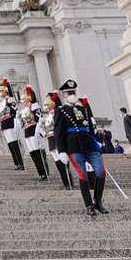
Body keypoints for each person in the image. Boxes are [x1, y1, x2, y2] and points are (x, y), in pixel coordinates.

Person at [52, 80, 108, 216]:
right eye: (68, 93)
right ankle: (89, 205)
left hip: (90, 146)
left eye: (73, 92)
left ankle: (98, 200)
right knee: (83, 176)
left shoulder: (84, 108)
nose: (71, 95)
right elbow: (58, 132)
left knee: (101, 172)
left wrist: (97, 142)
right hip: (74, 148)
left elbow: (91, 127)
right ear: (63, 95)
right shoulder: (61, 111)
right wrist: (62, 151)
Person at [41, 95, 71, 190]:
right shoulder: (48, 115)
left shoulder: (57, 113)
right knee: (57, 161)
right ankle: (64, 182)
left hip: (57, 137)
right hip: (50, 138)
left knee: (63, 160)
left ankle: (68, 182)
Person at [20, 86, 48, 182]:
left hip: (34, 130)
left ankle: (44, 172)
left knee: (37, 152)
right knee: (32, 153)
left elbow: (37, 119)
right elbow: (23, 122)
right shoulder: (24, 109)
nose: (22, 98)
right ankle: (39, 172)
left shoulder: (35, 106)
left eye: (25, 95)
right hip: (27, 131)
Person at [0, 78, 25, 172]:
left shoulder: (10, 99)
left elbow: (14, 111)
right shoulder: (1, 103)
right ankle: (16, 163)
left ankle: (20, 163)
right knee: (10, 144)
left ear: (5, 91)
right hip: (4, 123)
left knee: (14, 143)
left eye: (1, 91)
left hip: (10, 122)